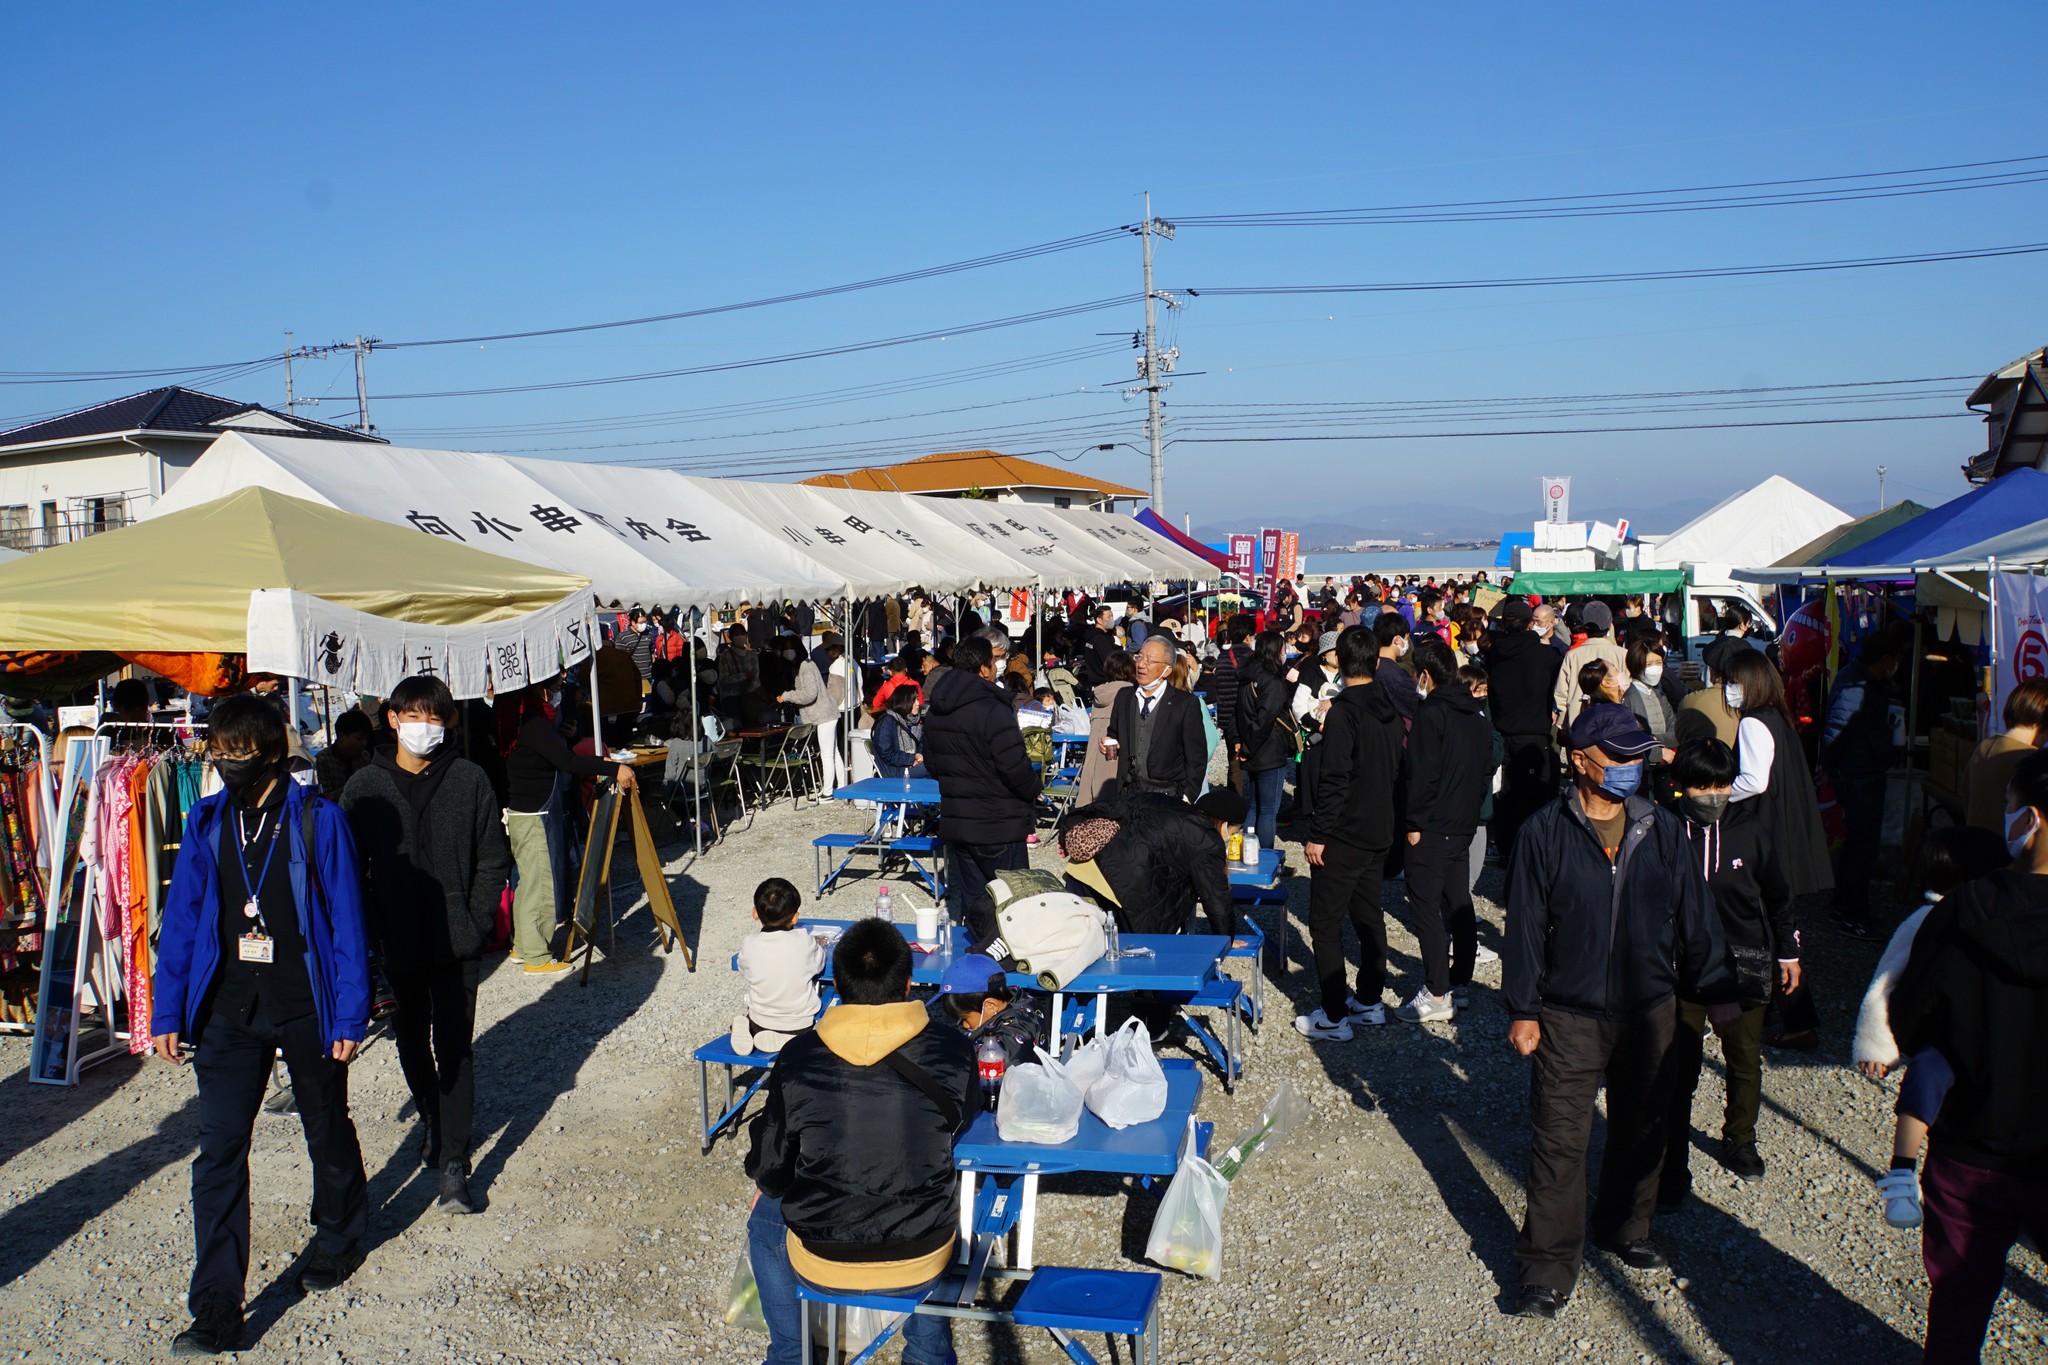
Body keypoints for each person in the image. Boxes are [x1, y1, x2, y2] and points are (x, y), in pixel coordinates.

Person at [151, 694, 373, 1355]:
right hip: (227, 1009)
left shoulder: (318, 820)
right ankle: (217, 1305)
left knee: (325, 1121)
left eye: (239, 752)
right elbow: (184, 917)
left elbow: (347, 921)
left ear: (272, 751)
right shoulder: (207, 819)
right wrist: (167, 1009)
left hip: (305, 1000)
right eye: (217, 751)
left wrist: (352, 1010)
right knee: (219, 1150)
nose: (226, 763)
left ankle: (338, 1230)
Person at [1503, 703, 1740, 1321]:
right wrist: (1523, 1009)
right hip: (1569, 1015)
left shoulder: (1663, 830)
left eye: (1638, 755)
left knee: (1643, 1128)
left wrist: (1717, 989)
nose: (1633, 767)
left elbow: (1696, 917)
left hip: (1650, 1009)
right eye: (1620, 757)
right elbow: (1525, 929)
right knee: (1559, 1142)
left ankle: (1625, 1228)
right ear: (1581, 761)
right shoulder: (1543, 833)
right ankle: (1548, 1267)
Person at [745, 919, 977, 1365]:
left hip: (822, 1257)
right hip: (922, 1254)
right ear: (910, 983)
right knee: (940, 1199)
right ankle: (928, 1352)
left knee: (765, 1218)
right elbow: (959, 1123)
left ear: (836, 982)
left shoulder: (799, 1055)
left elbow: (770, 1169)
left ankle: (792, 1354)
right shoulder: (952, 1048)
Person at [1885, 750, 2048, 1363]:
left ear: (2030, 817)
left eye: (2008, 804)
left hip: (1969, 1152)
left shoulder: (1961, 911)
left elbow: (1911, 1016)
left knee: (1957, 1304)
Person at [338, 675, 508, 1216]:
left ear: (449, 722)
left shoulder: (469, 779)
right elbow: (347, 870)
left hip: (456, 941)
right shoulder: (364, 787)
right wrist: (372, 927)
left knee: (455, 1045)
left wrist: (476, 920)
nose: (424, 727)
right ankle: (432, 1116)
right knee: (409, 1037)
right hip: (398, 940)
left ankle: (455, 1160)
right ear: (391, 719)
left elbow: (494, 859)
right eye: (414, 716)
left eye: (435, 717)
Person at [1656, 738, 1798, 1208]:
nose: (1714, 795)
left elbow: (1778, 895)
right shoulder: (1665, 829)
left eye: (1722, 784)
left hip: (1746, 962)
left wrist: (1788, 954)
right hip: (1684, 968)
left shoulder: (1752, 830)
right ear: (1680, 788)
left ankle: (1740, 1138)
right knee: (1678, 1069)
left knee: (1744, 1058)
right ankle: (1671, 1161)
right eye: (1702, 786)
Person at [1853, 824, 2009, 1231]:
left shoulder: (2001, 914)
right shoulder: (1928, 918)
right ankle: (1903, 1168)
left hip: (1993, 1035)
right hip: (1948, 1028)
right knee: (1926, 1075)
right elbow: (1886, 978)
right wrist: (1877, 1044)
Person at [1297, 627, 1404, 1040]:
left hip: (1343, 831)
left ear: (1338, 662)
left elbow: (1335, 777)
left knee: (1324, 923)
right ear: (1376, 663)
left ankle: (1334, 1013)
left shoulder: (1345, 711)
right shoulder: (1389, 708)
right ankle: (1370, 1000)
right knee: (1367, 914)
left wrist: (1318, 833)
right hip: (1379, 827)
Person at [496, 679, 636, 973]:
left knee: (528, 884)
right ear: (537, 691)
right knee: (540, 886)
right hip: (534, 815)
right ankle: (536, 956)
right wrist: (613, 767)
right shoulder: (532, 724)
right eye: (552, 686)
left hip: (524, 813)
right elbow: (568, 762)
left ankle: (524, 945)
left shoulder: (522, 722)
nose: (557, 691)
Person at [1397, 636, 1497, 1024]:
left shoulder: (1431, 714)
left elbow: (1421, 775)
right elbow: (1483, 768)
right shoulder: (1473, 714)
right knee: (1458, 902)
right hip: (1464, 823)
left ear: (1425, 675)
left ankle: (1438, 990)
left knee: (1424, 906)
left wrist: (1414, 824)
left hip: (1434, 824)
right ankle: (1460, 982)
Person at [922, 634, 1041, 949]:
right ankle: (1011, 963)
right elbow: (1014, 768)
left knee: (975, 899)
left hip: (960, 821)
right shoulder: (992, 708)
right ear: (985, 669)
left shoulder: (936, 709)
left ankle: (978, 962)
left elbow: (933, 764)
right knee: (1012, 898)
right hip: (998, 820)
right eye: (994, 661)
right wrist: (1033, 787)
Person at [1723, 649, 1834, 908]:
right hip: (1784, 814)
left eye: (1733, 681)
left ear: (1752, 682)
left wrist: (1719, 794)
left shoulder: (1753, 721)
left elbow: (1754, 780)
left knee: (1766, 903)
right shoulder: (1776, 714)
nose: (1728, 689)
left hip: (1764, 819)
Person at [1058, 788, 1242, 941]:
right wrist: (1226, 939)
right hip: (1119, 892)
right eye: (1232, 832)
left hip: (1081, 873)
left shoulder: (1164, 801)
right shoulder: (1207, 840)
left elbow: (1108, 806)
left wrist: (1066, 833)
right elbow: (1216, 897)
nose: (1230, 838)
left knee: (1082, 944)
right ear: (1222, 823)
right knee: (1125, 956)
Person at [1818, 635, 1902, 936]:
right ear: (1886, 659)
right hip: (1858, 775)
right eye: (1895, 659)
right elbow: (1836, 729)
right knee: (1860, 847)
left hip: (1861, 770)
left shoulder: (1861, 680)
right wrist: (1828, 767)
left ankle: (1845, 906)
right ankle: (1852, 913)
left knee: (1858, 846)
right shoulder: (1857, 684)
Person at [1487, 598, 1563, 876]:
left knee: (1505, 794)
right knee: (1533, 795)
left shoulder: (1495, 653)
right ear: (1530, 623)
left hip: (1502, 729)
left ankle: (1506, 847)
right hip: (1533, 733)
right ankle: (1531, 849)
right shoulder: (1545, 655)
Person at [1107, 635, 1207, 802]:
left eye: (1150, 660)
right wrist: (1109, 741)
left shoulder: (1185, 703)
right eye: (1139, 657)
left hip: (1168, 794)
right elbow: (1114, 732)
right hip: (1129, 791)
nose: (1141, 664)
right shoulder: (1124, 696)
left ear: (1167, 670)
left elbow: (1197, 757)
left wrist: (1188, 796)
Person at [733, 877, 826, 1056]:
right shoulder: (803, 940)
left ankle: (744, 1026)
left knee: (754, 1011)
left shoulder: (749, 944)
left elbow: (743, 969)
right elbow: (819, 963)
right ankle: (788, 1040)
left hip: (759, 1022)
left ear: (755, 913)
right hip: (800, 1025)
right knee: (813, 1029)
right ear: (795, 917)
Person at [1233, 630, 1296, 856]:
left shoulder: (1247, 675)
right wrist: (1249, 747)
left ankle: (1248, 854)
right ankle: (1266, 858)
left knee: (1255, 804)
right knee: (1268, 809)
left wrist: (1240, 743)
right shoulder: (1272, 681)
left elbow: (1237, 712)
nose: (1285, 653)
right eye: (1282, 648)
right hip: (1268, 748)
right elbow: (1265, 719)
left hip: (1250, 746)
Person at [929, 952, 1048, 1067]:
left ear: (990, 1006)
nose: (964, 1025)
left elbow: (991, 1062)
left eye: (965, 1018)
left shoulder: (1016, 1034)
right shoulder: (1014, 1000)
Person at [1964, 677, 2048, 831]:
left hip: (1974, 844)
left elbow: (1966, 799)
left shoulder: (1984, 747)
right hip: (2006, 851)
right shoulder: (2032, 762)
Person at [776, 641, 840, 801]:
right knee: (834, 753)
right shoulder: (807, 664)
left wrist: (787, 696)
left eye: (789, 648)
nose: (787, 652)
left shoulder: (804, 666)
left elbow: (809, 694)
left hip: (822, 714)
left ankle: (828, 792)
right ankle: (841, 787)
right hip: (827, 712)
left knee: (827, 755)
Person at [1552, 601, 1628, 734]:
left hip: (1579, 722)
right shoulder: (1623, 654)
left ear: (1585, 626)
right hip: (1615, 723)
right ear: (1610, 626)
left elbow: (1561, 693)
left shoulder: (1572, 655)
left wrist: (1564, 723)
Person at [1077, 650, 1135, 806]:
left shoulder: (1099, 693)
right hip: (1116, 751)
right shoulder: (1131, 693)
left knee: (1091, 793)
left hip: (1095, 750)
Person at [1208, 614, 1257, 792]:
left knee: (1234, 762)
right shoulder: (1253, 657)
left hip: (1228, 717)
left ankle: (1234, 804)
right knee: (1254, 761)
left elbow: (1221, 690)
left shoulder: (1222, 657)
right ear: (1247, 637)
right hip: (1249, 716)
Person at [1624, 638, 1677, 763]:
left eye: (1658, 662)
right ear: (1636, 665)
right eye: (1648, 664)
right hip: (1643, 763)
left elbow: (1674, 728)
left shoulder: (1659, 693)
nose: (1655, 668)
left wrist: (1657, 739)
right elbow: (1630, 737)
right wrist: (1658, 753)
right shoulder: (1627, 697)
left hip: (1666, 761)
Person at [1372, 612, 1421, 723]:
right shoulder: (1394, 673)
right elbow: (1414, 706)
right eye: (1406, 639)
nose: (1407, 643)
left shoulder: (1371, 664)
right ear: (1397, 640)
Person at [314, 709, 373, 801]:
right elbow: (325, 798)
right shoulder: (323, 760)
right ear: (342, 736)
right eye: (359, 739)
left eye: (366, 739)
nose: (364, 743)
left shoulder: (364, 757)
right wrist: (353, 785)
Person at [870, 685, 925, 779]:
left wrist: (919, 757)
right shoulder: (886, 722)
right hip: (894, 771)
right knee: (934, 768)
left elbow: (921, 744)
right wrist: (911, 759)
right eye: (914, 700)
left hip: (911, 766)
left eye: (917, 699)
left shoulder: (915, 722)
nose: (917, 704)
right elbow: (886, 753)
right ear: (904, 702)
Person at [1700, 605, 1760, 683]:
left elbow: (1706, 678)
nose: (1750, 627)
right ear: (1742, 625)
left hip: (1714, 691)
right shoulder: (1745, 647)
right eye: (1749, 623)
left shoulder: (1714, 645)